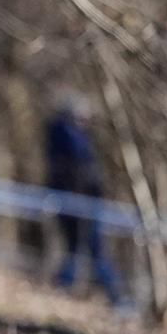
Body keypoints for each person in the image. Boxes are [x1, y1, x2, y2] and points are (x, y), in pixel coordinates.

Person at [46, 93, 124, 306]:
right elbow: (78, 169)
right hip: (80, 201)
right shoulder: (66, 135)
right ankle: (114, 296)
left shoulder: (68, 135)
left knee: (79, 249)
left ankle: (64, 285)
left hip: (81, 199)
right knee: (91, 249)